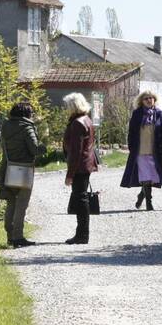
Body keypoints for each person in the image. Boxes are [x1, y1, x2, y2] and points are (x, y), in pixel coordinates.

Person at [0, 102, 43, 248]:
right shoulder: (27, 127)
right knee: (21, 204)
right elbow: (35, 149)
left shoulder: (6, 125)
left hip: (8, 168)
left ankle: (10, 236)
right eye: (31, 113)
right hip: (23, 169)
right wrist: (44, 146)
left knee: (11, 202)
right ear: (27, 114)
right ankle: (18, 237)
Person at [120, 90, 162, 211]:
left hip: (155, 151)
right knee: (146, 176)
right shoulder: (137, 114)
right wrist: (131, 147)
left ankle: (142, 195)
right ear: (141, 101)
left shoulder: (160, 114)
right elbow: (131, 133)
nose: (149, 100)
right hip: (140, 151)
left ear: (154, 100)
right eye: (146, 98)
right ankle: (149, 203)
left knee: (152, 177)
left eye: (151, 98)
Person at [62, 92, 98, 245]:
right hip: (86, 164)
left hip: (80, 165)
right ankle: (82, 233)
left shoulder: (77, 123)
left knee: (80, 198)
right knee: (81, 198)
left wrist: (70, 174)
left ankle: (82, 234)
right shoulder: (86, 119)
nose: (65, 109)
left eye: (67, 106)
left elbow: (76, 150)